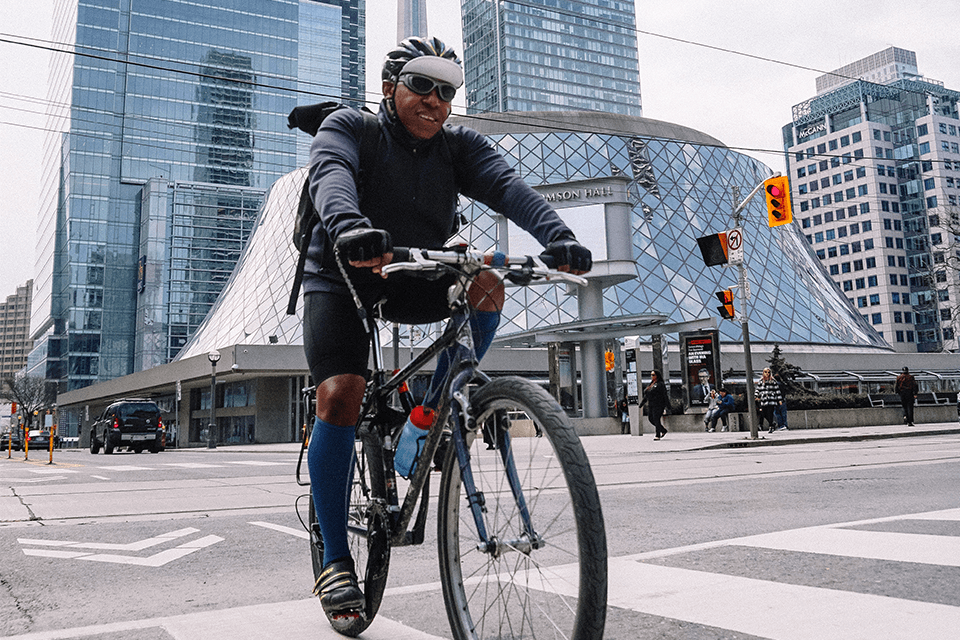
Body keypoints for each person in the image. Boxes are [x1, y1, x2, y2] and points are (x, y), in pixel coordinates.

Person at [301, 37, 592, 617]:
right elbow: (329, 174)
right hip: (344, 270)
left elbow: (510, 189)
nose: (436, 100)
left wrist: (557, 236)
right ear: (389, 89)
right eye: (423, 85)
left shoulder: (460, 147)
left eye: (448, 90)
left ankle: (428, 411)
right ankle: (335, 559)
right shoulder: (350, 127)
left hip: (416, 268)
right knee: (341, 394)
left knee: (487, 280)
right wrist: (349, 226)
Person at [638, 370, 669, 440]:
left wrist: (667, 405)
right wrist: (642, 403)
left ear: (657, 375)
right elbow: (647, 395)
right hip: (651, 404)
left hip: (659, 404)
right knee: (651, 418)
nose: (652, 376)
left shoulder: (660, 384)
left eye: (653, 375)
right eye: (651, 375)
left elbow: (664, 395)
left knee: (656, 418)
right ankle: (663, 430)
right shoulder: (651, 384)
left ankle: (657, 434)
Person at [755, 367, 784, 433]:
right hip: (764, 399)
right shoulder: (761, 381)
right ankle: (772, 423)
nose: (767, 374)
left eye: (768, 372)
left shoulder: (773, 381)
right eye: (765, 372)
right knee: (764, 413)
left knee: (770, 412)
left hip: (771, 399)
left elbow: (777, 390)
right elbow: (758, 389)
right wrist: (756, 396)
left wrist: (779, 400)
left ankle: (771, 426)